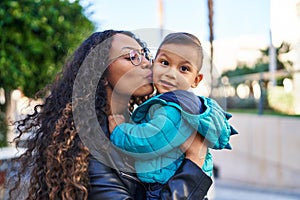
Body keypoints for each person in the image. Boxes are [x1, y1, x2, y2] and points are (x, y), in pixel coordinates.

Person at [7, 30, 214, 200]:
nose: (146, 63)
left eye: (145, 55)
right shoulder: (91, 150)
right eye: (132, 56)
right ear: (101, 74)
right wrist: (195, 161)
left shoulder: (145, 126)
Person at [108, 32, 238, 198]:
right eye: (165, 62)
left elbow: (148, 140)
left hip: (164, 186)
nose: (171, 73)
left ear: (196, 80)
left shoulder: (175, 108)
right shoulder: (168, 103)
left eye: (184, 69)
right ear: (154, 64)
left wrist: (120, 131)